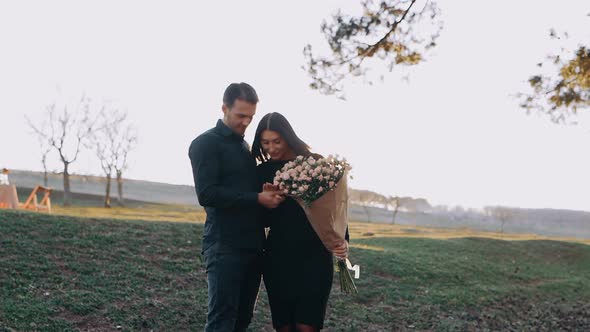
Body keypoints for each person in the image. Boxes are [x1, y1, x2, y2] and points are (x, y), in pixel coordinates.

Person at [188, 83, 284, 332]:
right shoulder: (205, 143)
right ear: (224, 108)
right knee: (222, 321)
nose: (245, 122)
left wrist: (269, 199)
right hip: (225, 248)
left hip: (253, 248)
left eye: (250, 117)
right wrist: (256, 198)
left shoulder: (245, 148)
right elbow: (206, 194)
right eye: (240, 115)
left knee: (242, 320)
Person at [253, 112, 349, 332]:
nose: (271, 148)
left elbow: (336, 207)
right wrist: (268, 203)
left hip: (315, 257)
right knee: (284, 328)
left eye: (277, 141)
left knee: (307, 326)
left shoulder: (316, 164)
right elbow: (261, 221)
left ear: (288, 136)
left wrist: (343, 239)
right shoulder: (262, 172)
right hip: (278, 257)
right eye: (265, 142)